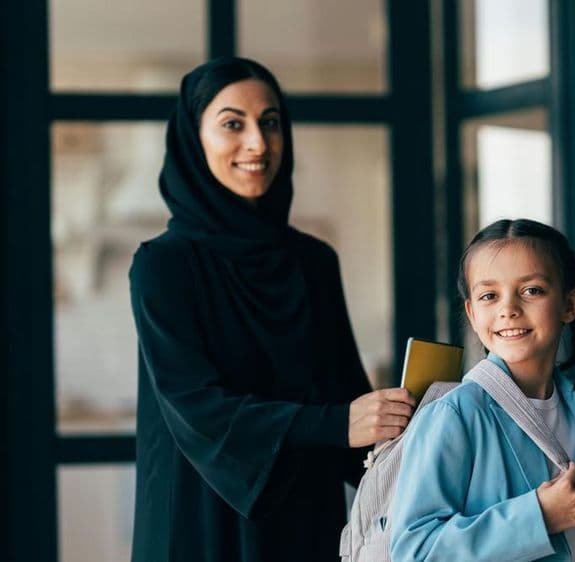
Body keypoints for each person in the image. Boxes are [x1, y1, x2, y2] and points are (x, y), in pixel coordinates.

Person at [128, 57, 416, 562]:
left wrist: (422, 429)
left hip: (303, 518)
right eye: (232, 124)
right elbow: (195, 403)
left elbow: (345, 398)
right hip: (200, 519)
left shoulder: (313, 262)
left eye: (270, 122)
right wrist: (335, 423)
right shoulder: (163, 266)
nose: (258, 144)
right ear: (194, 139)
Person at [389, 218, 575, 561]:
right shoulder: (456, 415)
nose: (508, 309)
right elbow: (413, 550)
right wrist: (538, 517)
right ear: (473, 314)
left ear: (570, 304)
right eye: (489, 296)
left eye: (531, 290)